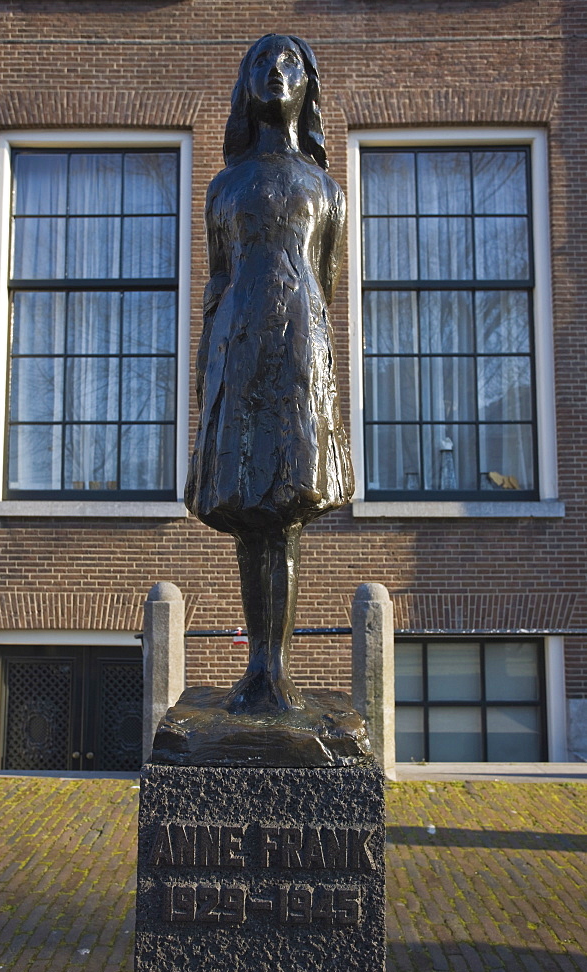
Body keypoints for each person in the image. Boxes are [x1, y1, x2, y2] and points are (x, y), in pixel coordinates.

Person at [185, 34, 354, 714]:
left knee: (284, 515)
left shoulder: (325, 190)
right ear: (244, 86)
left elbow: (326, 286)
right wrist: (207, 373)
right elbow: (217, 283)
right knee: (248, 513)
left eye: (290, 63)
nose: (275, 72)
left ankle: (274, 669)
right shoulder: (223, 188)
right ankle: (257, 663)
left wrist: (318, 376)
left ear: (308, 84)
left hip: (297, 355)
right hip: (236, 351)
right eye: (261, 61)